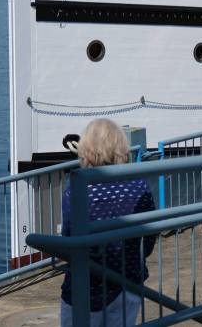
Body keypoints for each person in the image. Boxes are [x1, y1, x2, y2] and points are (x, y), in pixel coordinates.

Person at [59, 119, 155, 327]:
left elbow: (69, 239)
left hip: (84, 287)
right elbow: (148, 240)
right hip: (127, 281)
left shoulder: (76, 190)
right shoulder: (139, 186)